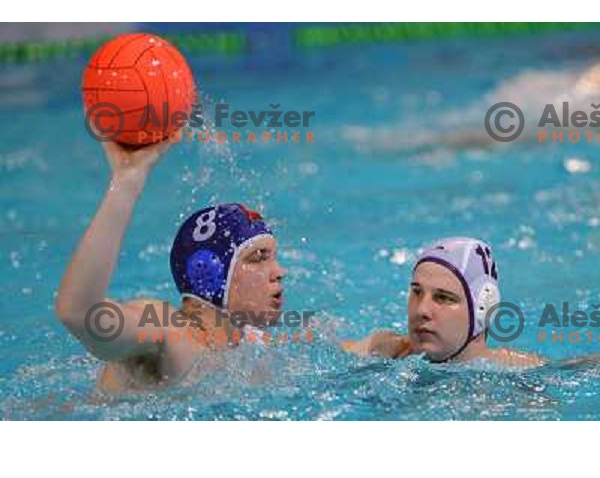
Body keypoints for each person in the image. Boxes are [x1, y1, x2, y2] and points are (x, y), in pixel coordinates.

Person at [55, 137, 292, 393]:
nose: (280, 272)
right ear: (209, 273)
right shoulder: (167, 332)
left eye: (274, 258)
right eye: (258, 258)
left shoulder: (249, 345)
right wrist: (128, 180)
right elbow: (78, 313)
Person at [342, 237, 545, 368]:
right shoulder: (387, 350)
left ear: (483, 309)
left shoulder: (518, 374)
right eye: (417, 292)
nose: (422, 310)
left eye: (443, 298)